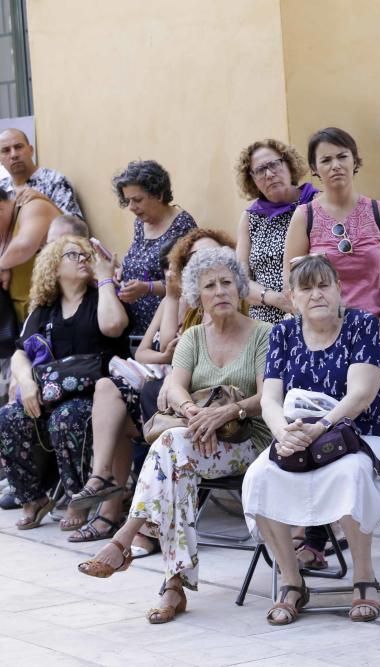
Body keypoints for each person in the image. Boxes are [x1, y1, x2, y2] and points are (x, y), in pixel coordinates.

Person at [77, 247, 271, 625]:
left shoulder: (264, 334)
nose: (219, 291)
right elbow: (176, 388)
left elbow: (267, 397)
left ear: (240, 287)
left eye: (227, 283)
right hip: (195, 439)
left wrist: (226, 413)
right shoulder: (194, 337)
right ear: (197, 295)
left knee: (171, 450)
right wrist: (196, 415)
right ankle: (172, 585)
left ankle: (129, 545)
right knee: (176, 467)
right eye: (209, 285)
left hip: (249, 440)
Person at [242, 254, 380, 624]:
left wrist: (320, 426)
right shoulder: (282, 333)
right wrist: (282, 432)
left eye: (324, 285)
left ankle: (364, 577)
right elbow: (270, 399)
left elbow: (360, 396)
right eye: (306, 288)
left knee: (352, 473)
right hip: (300, 439)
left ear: (339, 289)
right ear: (292, 297)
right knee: (260, 476)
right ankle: (292, 583)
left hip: (362, 435)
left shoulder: (361, 325)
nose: (316, 295)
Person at [283, 127, 380, 564]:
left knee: (379, 428)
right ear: (314, 170)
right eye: (325, 160)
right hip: (323, 341)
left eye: (342, 157)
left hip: (376, 336)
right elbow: (293, 282)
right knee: (321, 423)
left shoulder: (378, 212)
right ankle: (317, 538)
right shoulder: (307, 217)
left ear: (355, 160)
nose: (335, 166)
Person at [67, 229, 234, 548]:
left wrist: (174, 355)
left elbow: (197, 354)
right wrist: (172, 303)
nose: (206, 263)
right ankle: (102, 481)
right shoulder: (182, 296)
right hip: (164, 383)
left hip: (196, 393)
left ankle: (117, 510)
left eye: (213, 255)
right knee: (107, 389)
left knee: (125, 409)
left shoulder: (226, 297)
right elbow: (145, 351)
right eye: (196, 257)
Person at [0, 236, 128, 531]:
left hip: (98, 395)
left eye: (86, 255)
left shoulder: (102, 297)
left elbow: (112, 326)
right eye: (74, 254)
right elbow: (20, 351)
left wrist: (105, 279)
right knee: (8, 417)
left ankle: (77, 498)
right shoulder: (45, 309)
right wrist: (26, 381)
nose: (84, 258)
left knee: (66, 418)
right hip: (47, 393)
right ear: (54, 267)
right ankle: (33, 498)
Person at [235, 139, 316, 323]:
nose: (269, 174)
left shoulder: (315, 204)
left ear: (288, 164)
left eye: (274, 164)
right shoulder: (250, 218)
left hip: (312, 319)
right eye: (260, 170)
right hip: (265, 328)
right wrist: (278, 299)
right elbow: (240, 279)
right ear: (252, 179)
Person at [113, 160, 198, 335]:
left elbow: (185, 283)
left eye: (137, 200)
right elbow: (142, 259)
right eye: (127, 201)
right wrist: (123, 270)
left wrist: (147, 287)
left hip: (164, 327)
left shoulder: (183, 226)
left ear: (159, 195)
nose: (131, 207)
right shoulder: (140, 222)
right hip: (135, 326)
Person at [0, 184, 61, 321]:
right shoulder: (5, 222)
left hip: (53, 313)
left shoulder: (32, 206)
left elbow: (24, 245)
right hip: (18, 319)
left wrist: (2, 265)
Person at [0, 128, 84, 218]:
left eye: (18, 147)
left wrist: (45, 202)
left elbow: (76, 226)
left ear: (31, 150)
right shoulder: (2, 188)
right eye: (6, 150)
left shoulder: (55, 182)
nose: (14, 155)